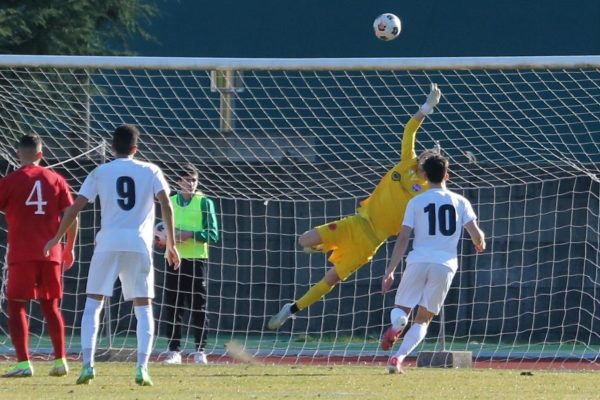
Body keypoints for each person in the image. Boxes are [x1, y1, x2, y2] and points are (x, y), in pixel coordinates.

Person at [268, 83, 442, 330]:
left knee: (330, 279)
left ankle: (291, 309)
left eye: (429, 159)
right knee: (304, 240)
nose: (423, 160)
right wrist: (428, 107)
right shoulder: (406, 162)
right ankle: (319, 248)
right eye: (424, 156)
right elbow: (410, 129)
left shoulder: (429, 190)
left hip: (370, 242)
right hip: (356, 223)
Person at [44, 124, 180, 386]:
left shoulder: (100, 171)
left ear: (112, 147)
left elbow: (74, 208)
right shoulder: (150, 170)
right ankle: (142, 368)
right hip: (139, 244)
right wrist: (172, 244)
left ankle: (87, 365)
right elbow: (166, 204)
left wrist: (57, 238)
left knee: (93, 304)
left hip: (108, 243)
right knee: (143, 307)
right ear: (136, 148)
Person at [381, 154, 485, 374]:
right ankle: (397, 359)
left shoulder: (415, 201)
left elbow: (403, 239)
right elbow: (476, 235)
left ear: (424, 176)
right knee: (423, 320)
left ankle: (397, 324)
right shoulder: (460, 201)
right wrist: (480, 242)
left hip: (418, 260)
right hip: (444, 265)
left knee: (402, 308)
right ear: (448, 175)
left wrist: (390, 270)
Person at [0, 134, 78, 378]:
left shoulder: (10, 181)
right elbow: (72, 214)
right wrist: (69, 247)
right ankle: (60, 360)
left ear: (17, 155)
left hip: (22, 254)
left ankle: (24, 364)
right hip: (51, 254)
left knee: (16, 307)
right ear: (41, 155)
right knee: (51, 306)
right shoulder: (56, 178)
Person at [159, 163, 219, 365]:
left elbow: (213, 234)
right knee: (173, 306)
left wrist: (189, 234)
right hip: (174, 260)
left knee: (199, 307)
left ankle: (200, 351)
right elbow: (161, 233)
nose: (191, 183)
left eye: (194, 180)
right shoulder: (170, 202)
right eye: (187, 179)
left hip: (197, 260)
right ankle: (173, 351)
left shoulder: (204, 203)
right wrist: (163, 240)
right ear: (178, 182)